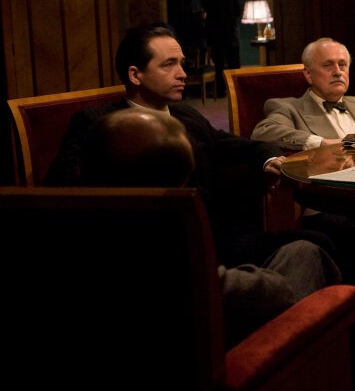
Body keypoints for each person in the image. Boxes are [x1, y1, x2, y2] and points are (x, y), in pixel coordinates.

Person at [44, 24, 327, 269]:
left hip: (222, 239)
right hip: (156, 248)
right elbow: (63, 185)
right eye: (169, 64)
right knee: (309, 248)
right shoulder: (96, 122)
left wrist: (269, 162)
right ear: (135, 75)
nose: (182, 73)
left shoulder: (186, 114)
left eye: (181, 63)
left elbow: (242, 146)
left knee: (319, 240)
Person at [80, 108, 342, 348]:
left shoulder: (79, 223)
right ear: (181, 184)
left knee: (302, 249)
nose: (183, 76)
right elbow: (269, 293)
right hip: (240, 357)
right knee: (307, 254)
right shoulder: (171, 252)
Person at [201, 0, 241, 96]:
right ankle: (237, 89)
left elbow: (204, 10)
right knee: (233, 63)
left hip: (214, 34)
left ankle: (220, 91)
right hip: (230, 34)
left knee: (219, 65)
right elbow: (238, 11)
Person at [174, 0, 207, 70]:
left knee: (201, 45)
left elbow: (198, 6)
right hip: (187, 24)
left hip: (197, 24)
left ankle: (200, 64)